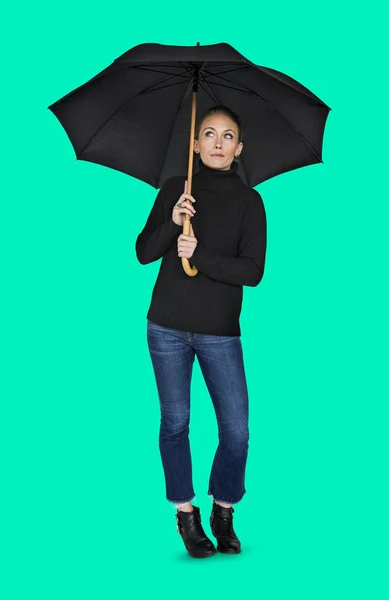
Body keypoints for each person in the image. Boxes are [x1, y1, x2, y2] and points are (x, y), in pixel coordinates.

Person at [135, 105, 267, 558]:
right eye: (208, 133)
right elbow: (142, 252)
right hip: (166, 328)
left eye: (227, 136)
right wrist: (173, 223)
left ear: (239, 147)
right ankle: (185, 513)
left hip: (219, 332)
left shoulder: (251, 202)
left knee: (237, 430)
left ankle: (223, 509)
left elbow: (253, 271)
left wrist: (201, 254)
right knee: (175, 423)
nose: (216, 142)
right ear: (194, 142)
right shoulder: (177, 190)